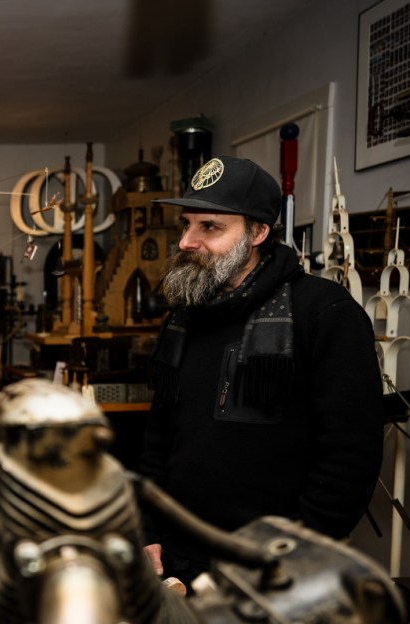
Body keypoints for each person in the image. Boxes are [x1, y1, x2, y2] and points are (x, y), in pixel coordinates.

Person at [140, 156, 382, 586]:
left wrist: (292, 555)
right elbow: (160, 438)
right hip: (180, 559)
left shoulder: (325, 314)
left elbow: (349, 457)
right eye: (186, 224)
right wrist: (149, 531)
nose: (186, 242)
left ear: (258, 232)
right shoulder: (184, 317)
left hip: (273, 570)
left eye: (209, 227)